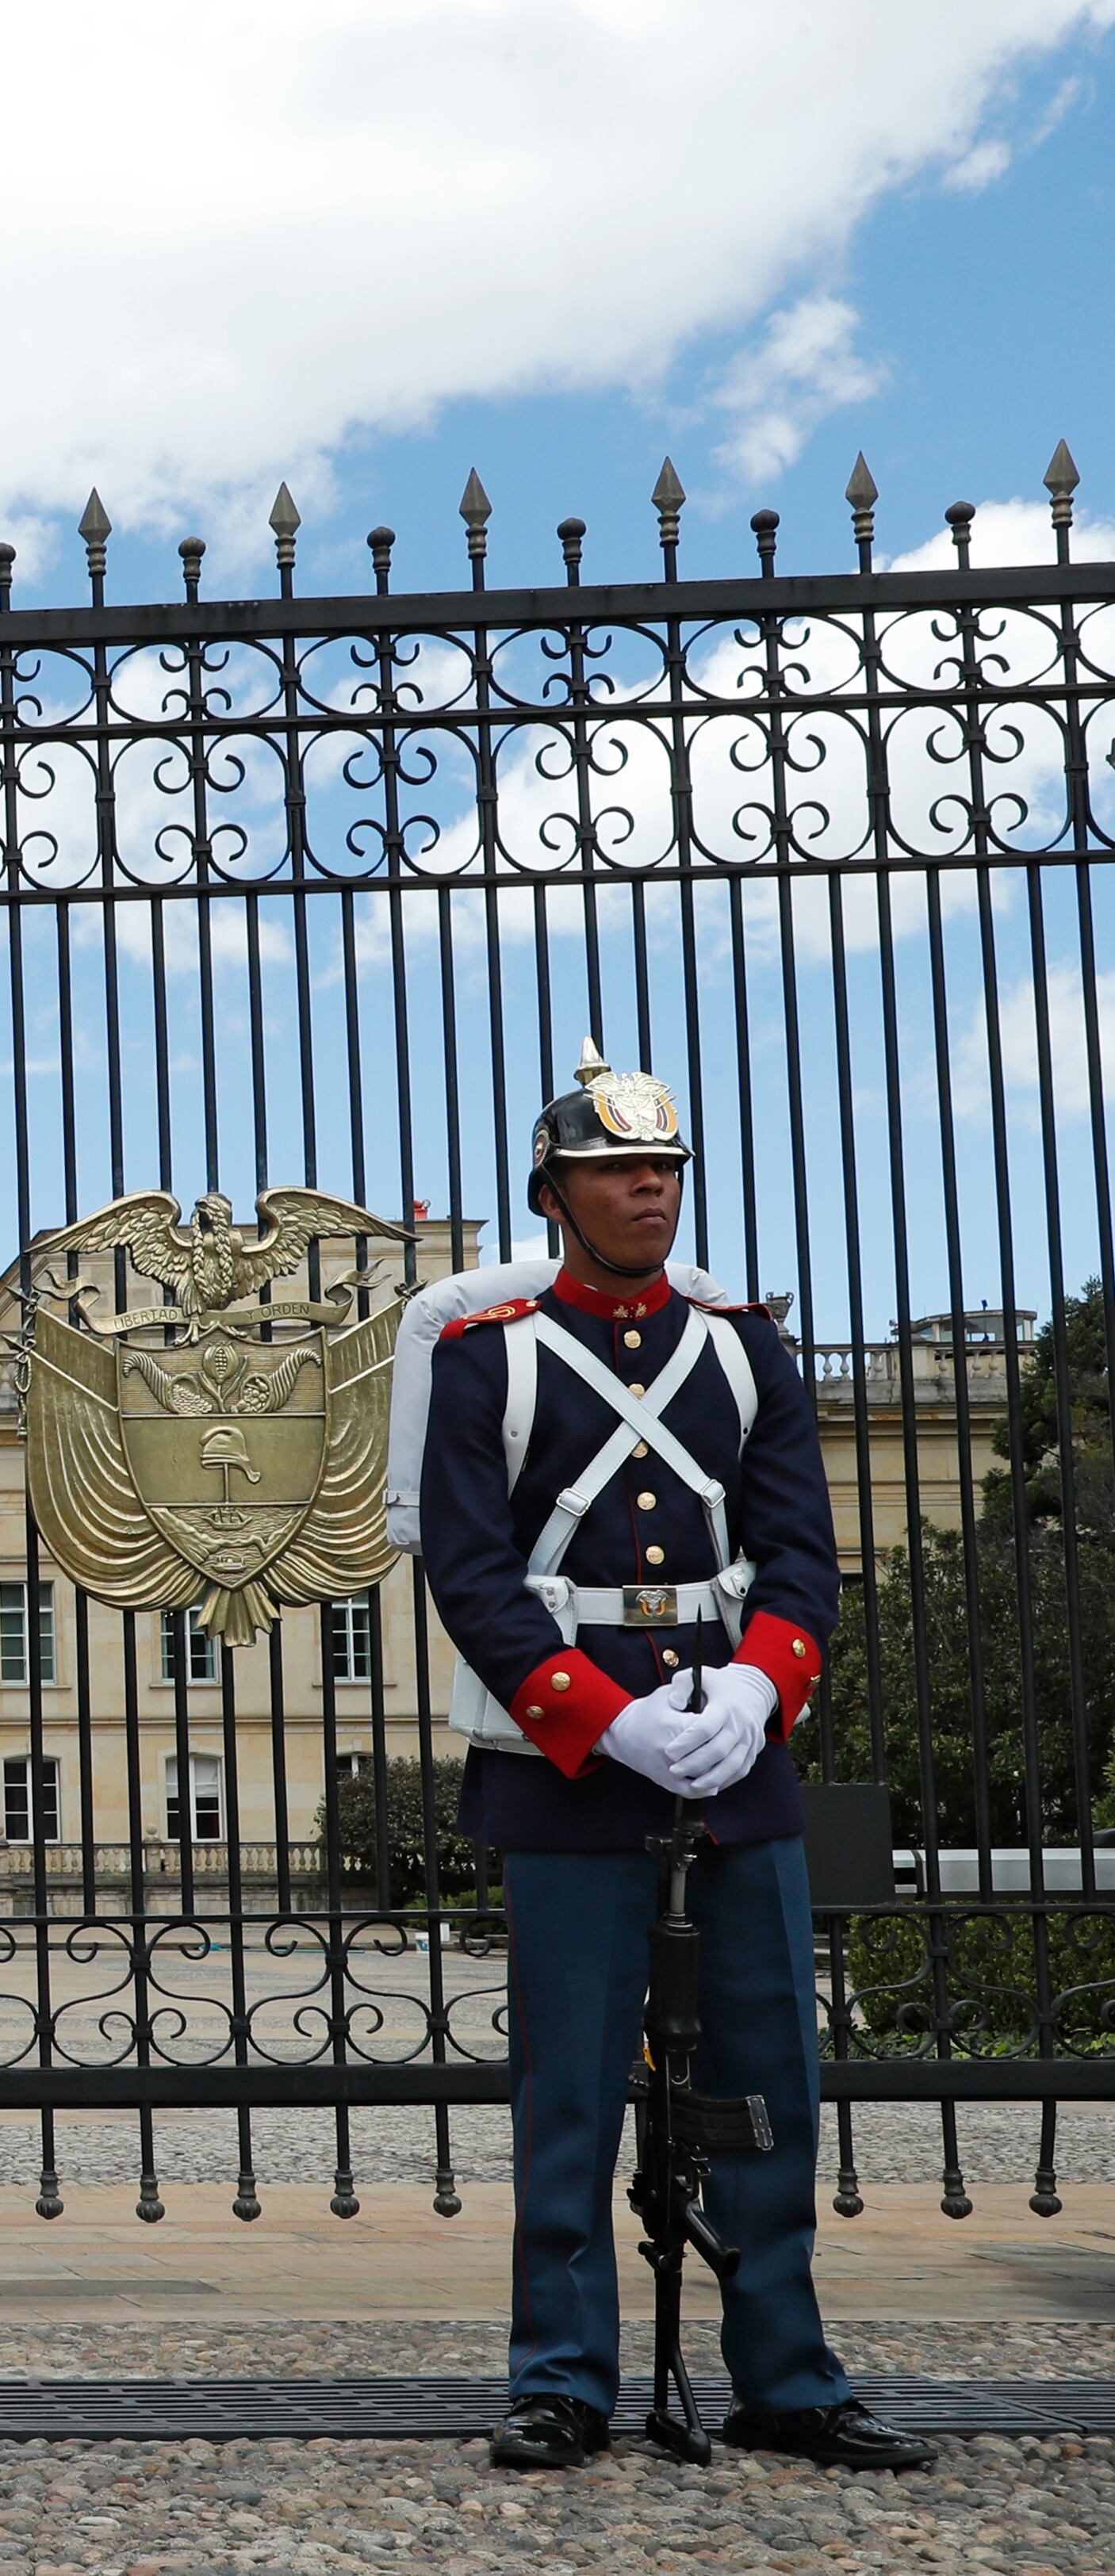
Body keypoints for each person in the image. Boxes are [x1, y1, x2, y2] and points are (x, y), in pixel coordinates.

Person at [412, 1043, 929, 2473]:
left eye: (665, 1168)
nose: (651, 1188)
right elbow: (469, 1570)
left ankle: (787, 2372)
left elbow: (802, 1560)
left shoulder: (742, 1345)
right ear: (554, 1191)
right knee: (569, 2086)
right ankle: (561, 2375)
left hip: (731, 1754)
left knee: (770, 2072)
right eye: (618, 1169)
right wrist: (599, 1713)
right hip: (565, 1763)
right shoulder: (487, 1355)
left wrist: (758, 1691)